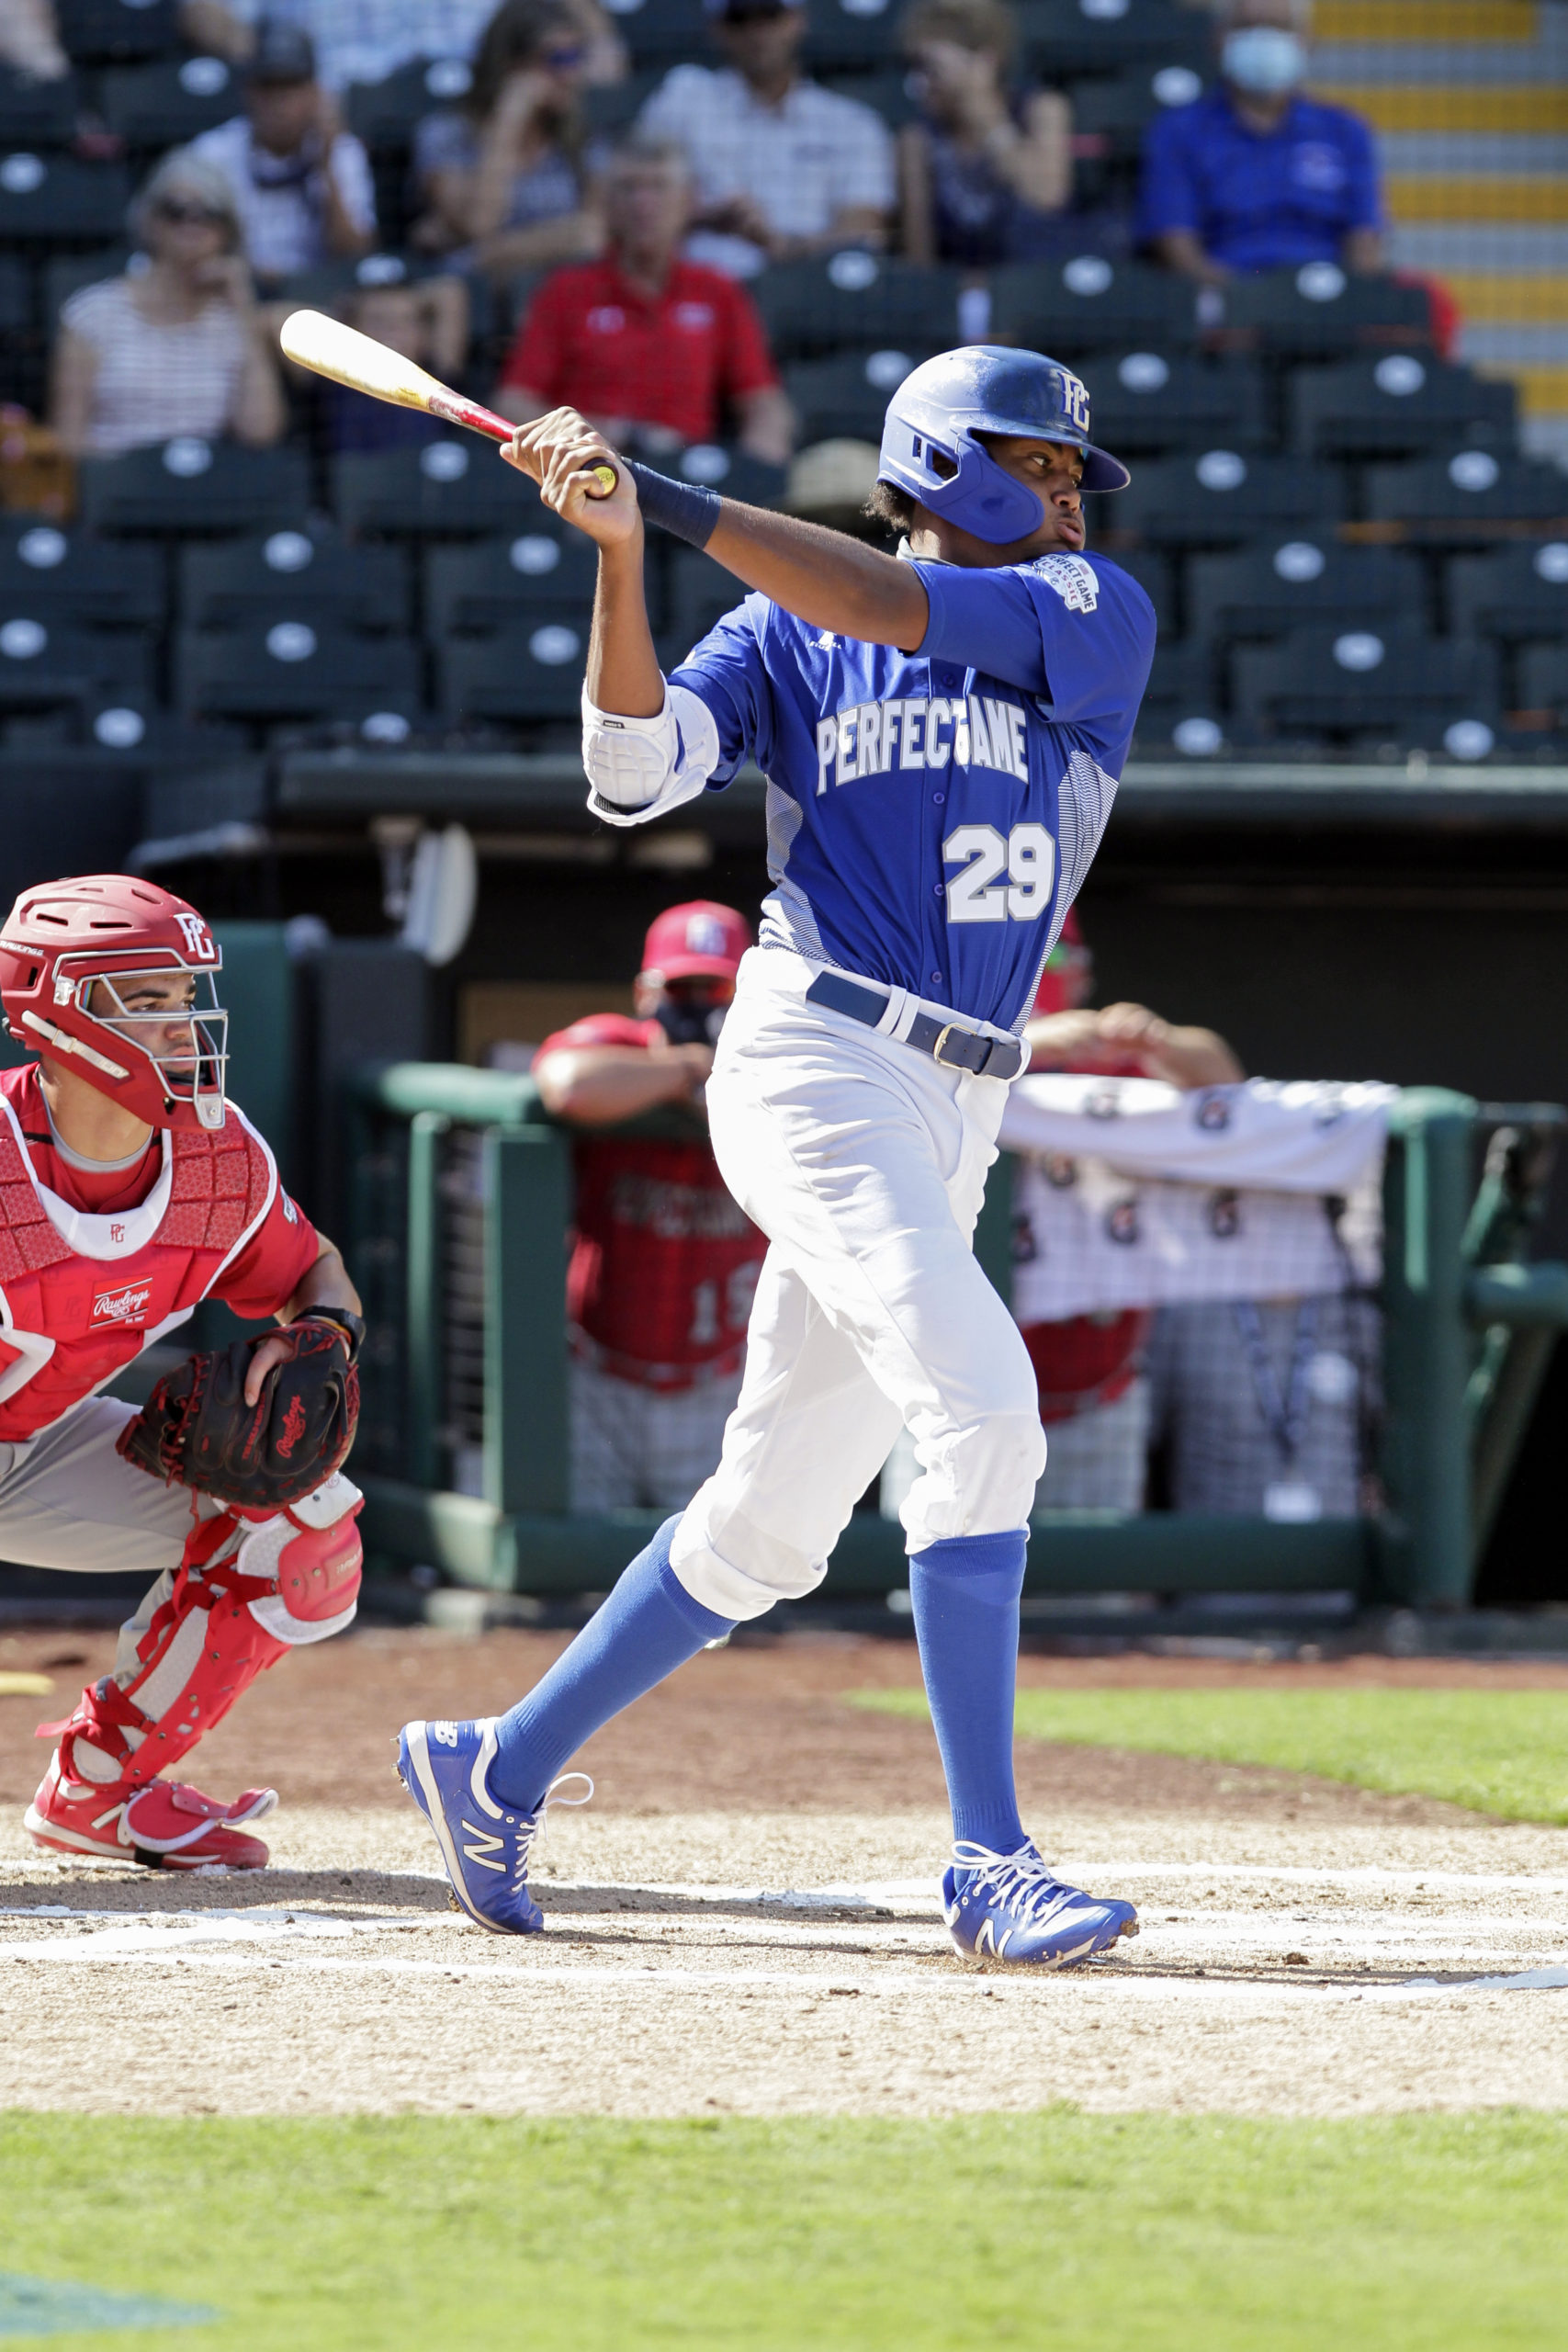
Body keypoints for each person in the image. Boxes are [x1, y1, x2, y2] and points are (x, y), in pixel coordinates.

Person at [398, 344, 1156, 1968]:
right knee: (983, 1404)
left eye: (1069, 469)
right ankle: (989, 1861)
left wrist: (657, 498)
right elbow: (632, 773)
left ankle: (492, 1767)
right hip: (815, 1060)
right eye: (1034, 463)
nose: (1067, 492)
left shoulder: (1093, 613)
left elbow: (908, 612)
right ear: (943, 460)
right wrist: (619, 560)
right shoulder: (784, 630)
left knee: (774, 1526)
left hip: (961, 1099)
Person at [0, 875, 365, 1871]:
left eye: (187, 995)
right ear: (56, 1010)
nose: (185, 1023)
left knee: (306, 1531)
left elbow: (314, 1268)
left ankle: (98, 1788)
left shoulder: (216, 1160)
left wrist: (320, 1334)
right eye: (148, 1000)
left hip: (23, 1447)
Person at [532, 901, 769, 1510]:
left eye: (714, 986)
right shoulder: (621, 1044)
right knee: (581, 1576)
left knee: (721, 1585)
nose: (696, 1002)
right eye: (679, 986)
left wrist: (723, 1078)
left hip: (722, 1384)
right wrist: (688, 1068)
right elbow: (567, 1084)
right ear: (645, 993)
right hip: (599, 1379)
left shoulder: (777, 1057)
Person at [494, 138, 793, 464]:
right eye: (629, 188)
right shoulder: (565, 290)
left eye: (658, 187)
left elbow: (763, 402)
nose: (643, 202)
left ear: (688, 201)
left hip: (686, 482)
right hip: (587, 470)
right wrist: (598, 435)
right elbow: (513, 403)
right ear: (608, 205)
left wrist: (758, 467)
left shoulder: (718, 291)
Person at [50, 153, 285, 462]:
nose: (191, 224)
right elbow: (68, 440)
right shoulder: (92, 313)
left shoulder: (234, 320)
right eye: (175, 212)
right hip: (120, 493)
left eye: (209, 214)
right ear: (149, 221)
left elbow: (259, 432)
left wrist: (244, 307)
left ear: (228, 231)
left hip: (206, 489)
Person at [637, 0, 895, 279]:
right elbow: (630, 197)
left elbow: (864, 230)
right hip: (698, 289)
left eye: (770, 16)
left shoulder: (851, 123)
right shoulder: (682, 98)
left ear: (797, 20)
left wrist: (779, 244)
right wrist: (707, 217)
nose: (757, 32)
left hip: (811, 292)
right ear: (717, 28)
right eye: (740, 19)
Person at [1139, 0, 1383, 289]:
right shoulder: (1178, 130)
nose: (1263, 38)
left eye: (1279, 27)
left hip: (1324, 294)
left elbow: (1365, 240)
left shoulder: (1345, 129)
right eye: (1246, 26)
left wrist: (1346, 301)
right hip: (1225, 297)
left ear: (1308, 40)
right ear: (1218, 39)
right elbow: (1176, 246)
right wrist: (1250, 304)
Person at [412, 0, 604, 281]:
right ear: (512, 65)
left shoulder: (581, 137)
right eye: (557, 59)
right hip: (479, 299)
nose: (570, 74)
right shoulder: (446, 133)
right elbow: (479, 223)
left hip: (564, 290)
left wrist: (492, 252)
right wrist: (510, 118)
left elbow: (591, 235)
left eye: (576, 56)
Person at [190, 18, 376, 288]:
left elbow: (354, 254)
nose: (278, 102)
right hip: (238, 291)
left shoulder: (341, 152)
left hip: (323, 293)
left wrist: (326, 165)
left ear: (314, 93)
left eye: (289, 87)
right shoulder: (212, 152)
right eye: (268, 86)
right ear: (248, 92)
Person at [897, 0, 1073, 269]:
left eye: (931, 68)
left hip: (1034, 282)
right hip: (955, 291)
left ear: (985, 62)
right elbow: (920, 258)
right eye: (915, 68)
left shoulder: (1042, 109)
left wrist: (986, 118)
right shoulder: (917, 138)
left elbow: (1046, 196)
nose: (919, 84)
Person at [180, 0, 626, 91]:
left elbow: (588, 26)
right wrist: (270, 61)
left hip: (471, 106)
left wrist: (598, 48)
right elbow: (202, 10)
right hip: (327, 102)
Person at [316, 278, 471, 451]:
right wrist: (345, 312)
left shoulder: (439, 378)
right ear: (351, 329)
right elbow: (282, 320)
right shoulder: (334, 377)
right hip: (357, 475)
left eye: (406, 320)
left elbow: (449, 292)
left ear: (424, 336)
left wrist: (404, 299)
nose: (393, 329)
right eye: (378, 320)